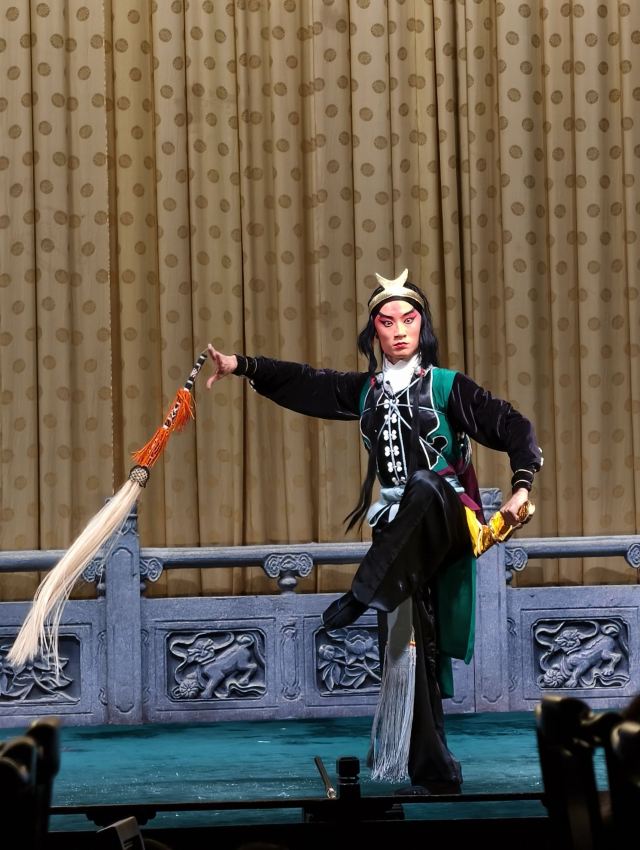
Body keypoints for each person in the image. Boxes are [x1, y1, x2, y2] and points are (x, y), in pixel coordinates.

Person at [206, 268, 543, 795]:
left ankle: (363, 591)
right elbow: (305, 383)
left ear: (422, 326)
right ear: (374, 333)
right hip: (396, 540)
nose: (399, 330)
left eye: (409, 320)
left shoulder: (447, 386)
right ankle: (433, 768)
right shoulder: (365, 393)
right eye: (387, 322)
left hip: (449, 521)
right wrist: (240, 365)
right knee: (412, 649)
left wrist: (522, 485)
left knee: (425, 484)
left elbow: (513, 426)